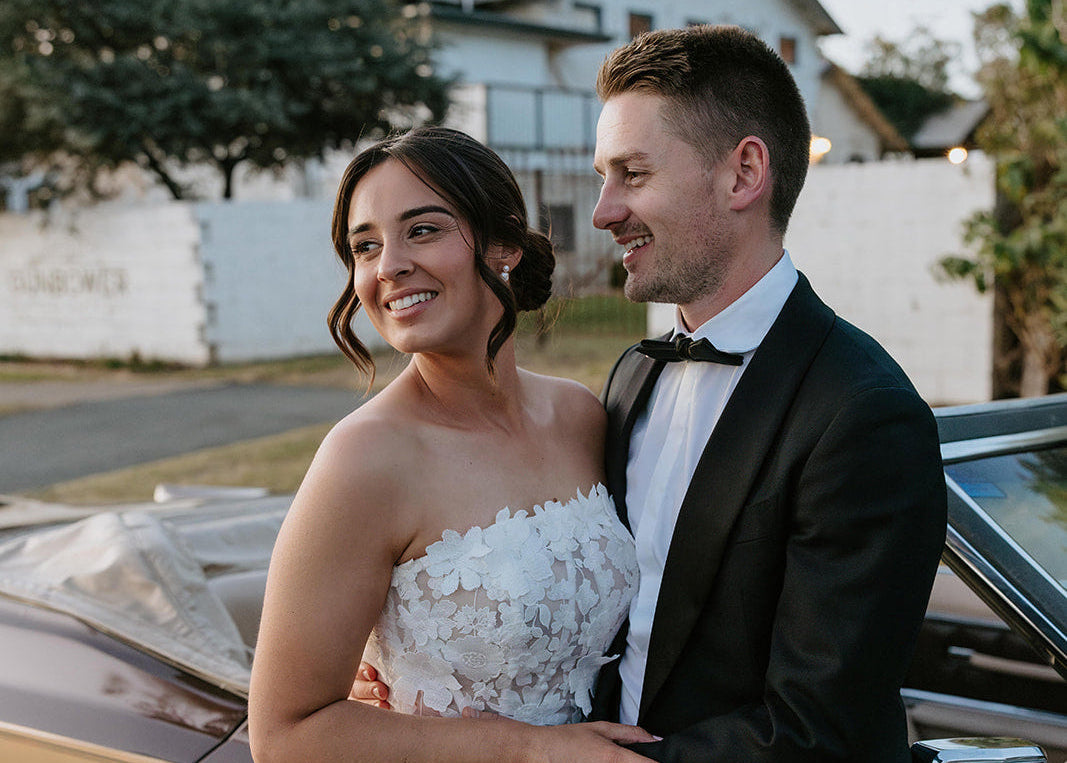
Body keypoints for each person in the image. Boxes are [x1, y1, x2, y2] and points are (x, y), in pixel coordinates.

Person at [354, 25, 947, 762]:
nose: (602, 212)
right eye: (603, 177)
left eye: (631, 175)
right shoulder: (633, 372)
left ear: (742, 174)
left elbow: (819, 728)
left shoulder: (860, 411)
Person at [247, 126, 657, 762]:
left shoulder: (580, 415)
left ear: (503, 243)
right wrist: (525, 751)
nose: (389, 266)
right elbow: (284, 737)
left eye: (423, 229)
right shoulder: (364, 459)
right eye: (365, 246)